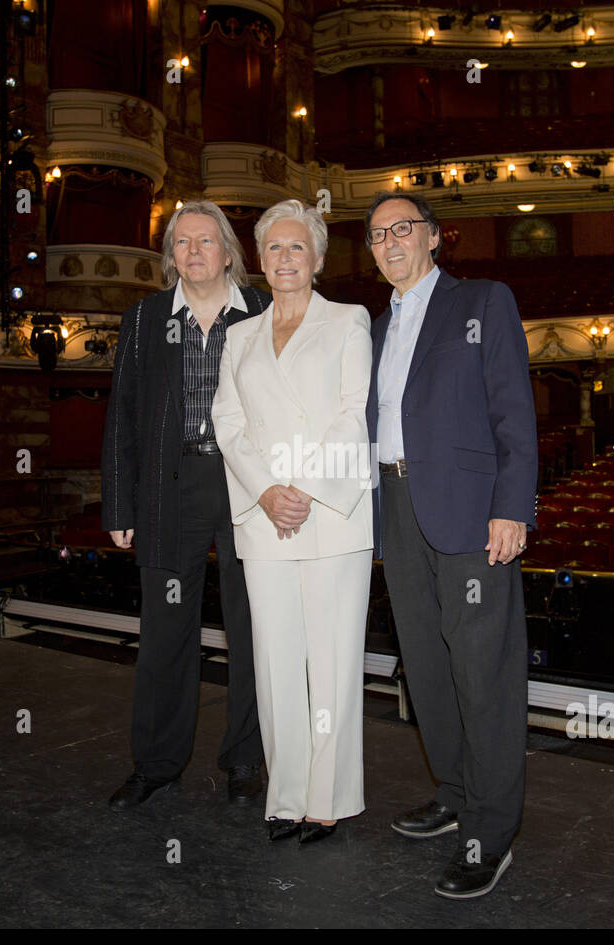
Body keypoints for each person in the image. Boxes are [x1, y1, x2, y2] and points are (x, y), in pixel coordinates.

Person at [364, 191, 537, 897]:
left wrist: (511, 507)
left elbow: (513, 411)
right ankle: (457, 789)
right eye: (376, 235)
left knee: (481, 672)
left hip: (470, 511)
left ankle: (489, 832)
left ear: (433, 238)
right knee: (428, 667)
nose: (389, 242)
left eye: (403, 228)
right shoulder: (374, 328)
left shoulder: (483, 302)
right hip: (397, 506)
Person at [212, 199, 373, 845]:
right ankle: (285, 795)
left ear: (318, 257)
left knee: (331, 662)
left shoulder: (347, 320)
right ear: (258, 258)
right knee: (275, 660)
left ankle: (327, 798)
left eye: (296, 247)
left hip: (328, 511)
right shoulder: (238, 335)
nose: (284, 258)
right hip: (263, 516)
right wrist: (267, 491)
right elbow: (228, 422)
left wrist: (300, 488)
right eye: (273, 248)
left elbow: (353, 412)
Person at [100, 200, 268, 810]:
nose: (193, 252)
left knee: (254, 628)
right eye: (181, 243)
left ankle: (247, 758)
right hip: (172, 488)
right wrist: (119, 505)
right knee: (166, 630)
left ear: (228, 251)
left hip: (249, 486)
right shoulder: (145, 320)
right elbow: (122, 417)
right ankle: (158, 764)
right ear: (171, 257)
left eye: (205, 241)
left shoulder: (264, 311)